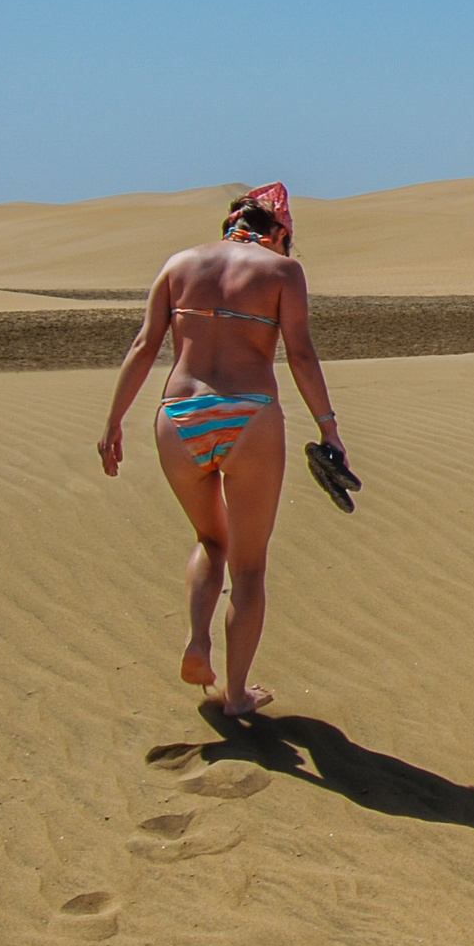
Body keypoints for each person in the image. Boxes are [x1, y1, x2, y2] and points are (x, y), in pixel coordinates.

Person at [97, 184, 346, 715]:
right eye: (289, 240)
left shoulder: (179, 264)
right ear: (278, 231)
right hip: (249, 414)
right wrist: (329, 429)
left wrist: (113, 422)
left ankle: (197, 641)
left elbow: (144, 346)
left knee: (212, 539)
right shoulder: (282, 273)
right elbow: (300, 354)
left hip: (178, 414)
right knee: (249, 568)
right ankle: (236, 695)